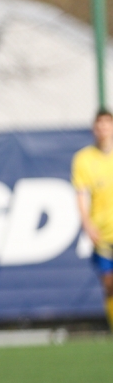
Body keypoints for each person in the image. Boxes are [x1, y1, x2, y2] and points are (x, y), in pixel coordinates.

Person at [73, 108, 113, 330]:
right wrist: (87, 224)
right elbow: (81, 193)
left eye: (107, 123)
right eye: (100, 124)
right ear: (94, 129)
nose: (103, 128)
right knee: (109, 283)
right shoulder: (84, 159)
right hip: (103, 232)